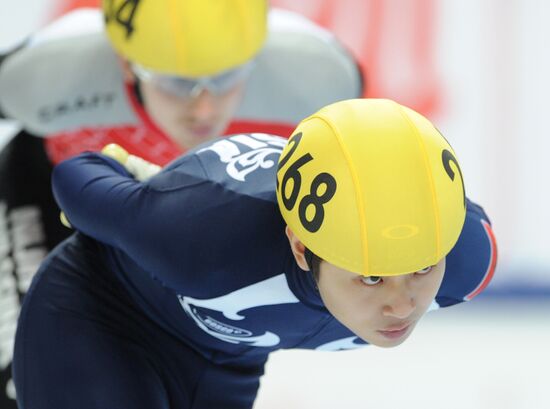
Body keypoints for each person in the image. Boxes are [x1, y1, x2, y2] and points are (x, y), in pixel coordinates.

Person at [13, 98, 497, 409]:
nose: (402, 305)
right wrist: (140, 192)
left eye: (421, 268)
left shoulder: (467, 259)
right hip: (103, 319)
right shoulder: (207, 241)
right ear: (301, 248)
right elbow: (76, 173)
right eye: (371, 278)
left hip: (226, 362)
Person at [0, 2, 362, 405]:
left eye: (226, 78)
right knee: (23, 374)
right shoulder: (43, 73)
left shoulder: (317, 74)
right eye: (175, 82)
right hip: (51, 189)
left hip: (167, 217)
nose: (203, 108)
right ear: (125, 64)